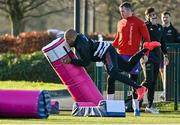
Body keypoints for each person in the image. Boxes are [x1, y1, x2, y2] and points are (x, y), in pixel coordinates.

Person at [63, 28, 161, 106]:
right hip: (108, 49)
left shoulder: (81, 45)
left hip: (106, 53)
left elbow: (86, 62)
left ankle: (139, 88)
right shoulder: (78, 37)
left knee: (113, 74)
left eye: (67, 40)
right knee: (128, 66)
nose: (66, 42)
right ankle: (146, 48)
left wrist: (71, 61)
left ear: (72, 38)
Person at [112, 2, 151, 116]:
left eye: (123, 11)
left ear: (129, 10)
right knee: (111, 77)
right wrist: (107, 49)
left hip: (133, 57)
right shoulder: (120, 22)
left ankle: (136, 109)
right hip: (120, 56)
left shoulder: (139, 22)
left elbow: (147, 39)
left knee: (133, 82)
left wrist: (146, 54)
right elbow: (117, 40)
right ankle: (110, 105)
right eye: (120, 11)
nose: (121, 13)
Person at [141, 7, 168, 114]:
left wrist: (165, 55)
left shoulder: (160, 27)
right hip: (147, 57)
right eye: (150, 15)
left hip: (157, 58)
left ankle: (150, 105)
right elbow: (142, 42)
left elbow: (163, 43)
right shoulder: (145, 26)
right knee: (149, 80)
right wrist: (143, 54)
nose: (153, 16)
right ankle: (134, 97)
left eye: (153, 14)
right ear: (147, 17)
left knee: (153, 82)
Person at [159, 11, 180, 100]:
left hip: (171, 57)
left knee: (170, 75)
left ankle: (168, 93)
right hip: (160, 55)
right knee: (162, 73)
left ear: (170, 18)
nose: (165, 19)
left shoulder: (174, 31)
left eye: (167, 17)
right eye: (163, 17)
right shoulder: (159, 29)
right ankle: (165, 91)